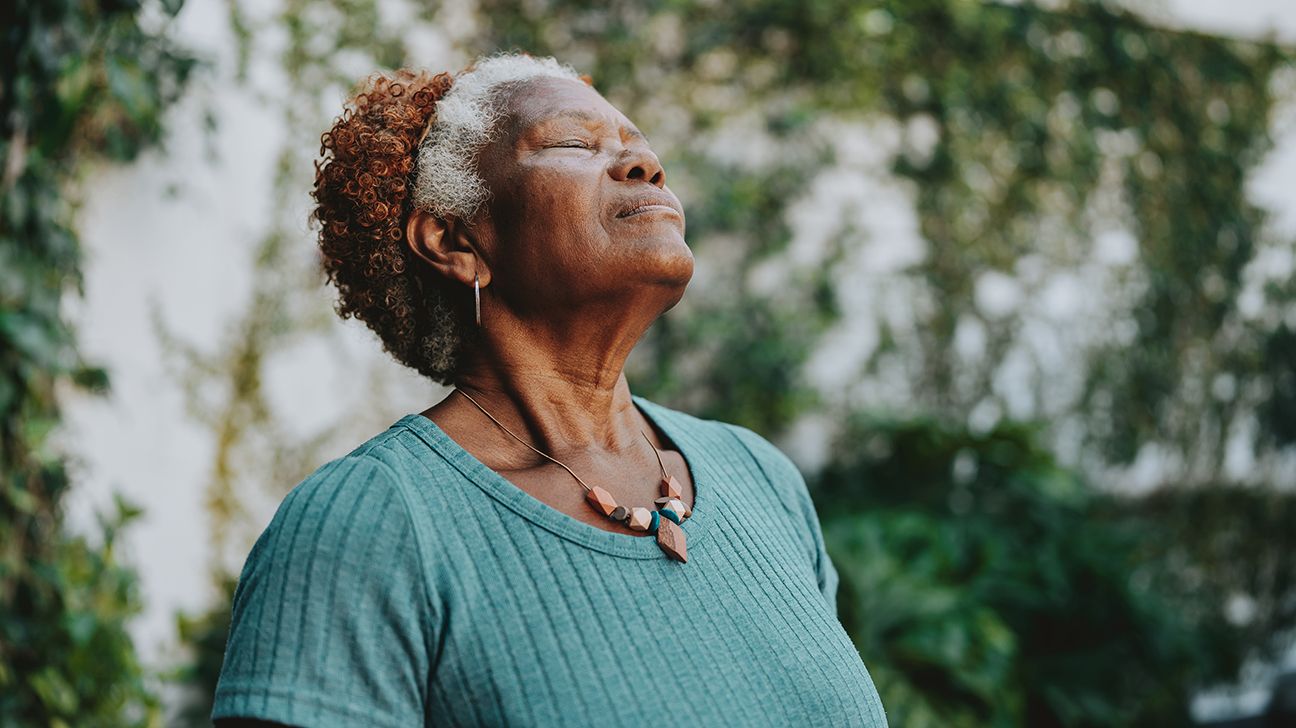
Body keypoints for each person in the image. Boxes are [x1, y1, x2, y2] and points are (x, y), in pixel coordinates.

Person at [210, 52, 888, 727]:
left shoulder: (757, 476)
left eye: (639, 147)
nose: (643, 166)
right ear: (455, 240)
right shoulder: (372, 522)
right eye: (574, 143)